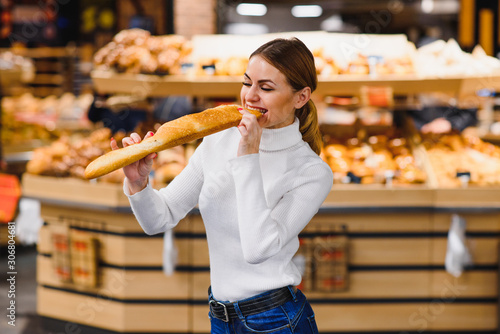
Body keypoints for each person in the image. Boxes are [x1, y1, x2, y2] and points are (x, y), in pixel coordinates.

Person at [112, 37, 333, 333]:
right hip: (220, 317)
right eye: (247, 83)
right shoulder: (218, 140)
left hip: (278, 321)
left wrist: (249, 156)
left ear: (301, 97)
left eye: (266, 88)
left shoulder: (311, 171)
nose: (250, 97)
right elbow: (159, 219)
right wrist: (139, 184)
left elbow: (257, 249)